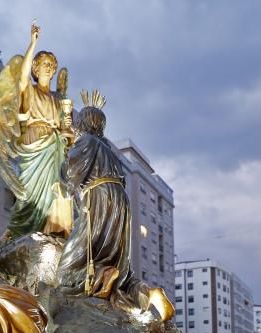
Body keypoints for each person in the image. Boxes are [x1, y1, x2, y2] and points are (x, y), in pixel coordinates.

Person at [56, 100, 174, 319]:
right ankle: (147, 293)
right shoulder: (109, 151)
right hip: (120, 203)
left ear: (84, 123)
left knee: (67, 270)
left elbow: (69, 174)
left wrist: (65, 152)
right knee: (119, 268)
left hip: (98, 199)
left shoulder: (87, 142)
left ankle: (101, 274)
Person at [0, 23, 72, 239]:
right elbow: (22, 79)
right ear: (35, 67)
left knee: (58, 193)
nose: (48, 67)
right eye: (43, 63)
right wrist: (33, 43)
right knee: (30, 197)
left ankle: (53, 230)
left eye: (51, 64)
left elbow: (66, 130)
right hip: (35, 145)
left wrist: (68, 131)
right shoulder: (30, 92)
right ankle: (17, 235)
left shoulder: (57, 99)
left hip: (55, 150)